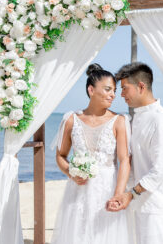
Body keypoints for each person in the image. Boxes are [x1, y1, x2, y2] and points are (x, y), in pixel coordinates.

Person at [51, 63, 132, 244]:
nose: (113, 94)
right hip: (77, 192)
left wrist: (118, 194)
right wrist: (71, 172)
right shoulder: (71, 120)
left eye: (114, 90)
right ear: (91, 89)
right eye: (108, 89)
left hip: (107, 190)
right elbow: (60, 156)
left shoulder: (119, 121)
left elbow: (124, 160)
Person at [107, 62, 163, 244]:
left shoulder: (160, 120)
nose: (121, 94)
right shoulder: (137, 117)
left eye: (125, 88)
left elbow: (160, 170)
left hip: (158, 207)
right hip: (138, 204)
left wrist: (131, 193)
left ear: (141, 86)